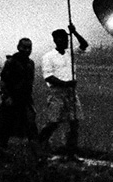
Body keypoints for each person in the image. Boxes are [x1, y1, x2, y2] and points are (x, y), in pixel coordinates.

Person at [38, 26, 90, 156]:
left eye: (67, 39)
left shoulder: (70, 53)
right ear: (56, 40)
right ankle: (39, 143)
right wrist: (66, 83)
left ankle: (71, 153)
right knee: (54, 122)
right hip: (57, 92)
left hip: (71, 92)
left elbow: (84, 45)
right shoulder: (48, 56)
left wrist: (74, 32)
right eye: (63, 39)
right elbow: (49, 77)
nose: (66, 41)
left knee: (74, 122)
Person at [0, 38, 38, 148]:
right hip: (11, 97)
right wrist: (7, 97)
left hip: (25, 98)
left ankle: (34, 149)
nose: (27, 50)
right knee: (6, 124)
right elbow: (3, 81)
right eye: (24, 47)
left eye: (29, 48)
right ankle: (1, 149)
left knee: (30, 122)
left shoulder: (30, 63)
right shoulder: (11, 62)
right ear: (18, 47)